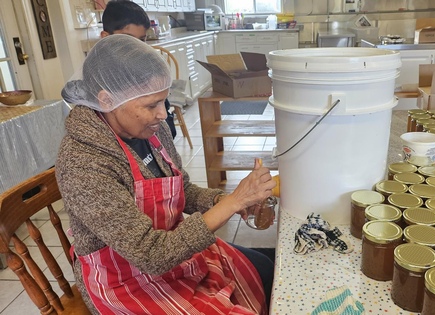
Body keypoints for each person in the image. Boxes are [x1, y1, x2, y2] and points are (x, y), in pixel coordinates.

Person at [56, 34, 276, 315]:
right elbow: (151, 255)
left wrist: (231, 200)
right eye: (151, 105)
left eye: (164, 101)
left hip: (173, 249)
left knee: (264, 270)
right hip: (126, 279)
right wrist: (231, 204)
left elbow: (183, 190)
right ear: (107, 99)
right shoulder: (84, 162)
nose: (163, 115)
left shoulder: (152, 130)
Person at [101, 0, 177, 139]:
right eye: (127, 39)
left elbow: (168, 129)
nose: (136, 47)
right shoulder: (99, 76)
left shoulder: (149, 69)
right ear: (105, 37)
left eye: (141, 40)